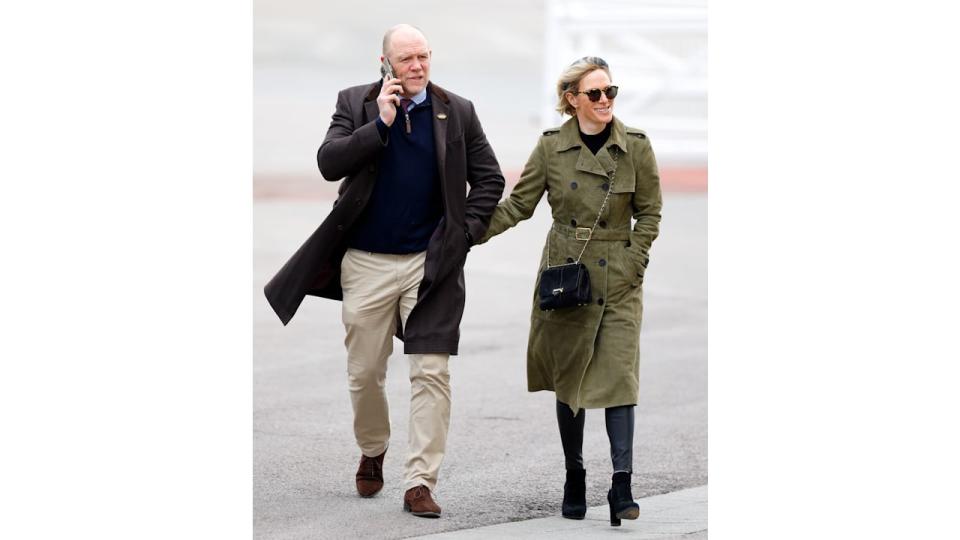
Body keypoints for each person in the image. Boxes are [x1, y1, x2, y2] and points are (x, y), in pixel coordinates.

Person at [263, 24, 504, 518]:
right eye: (407, 59)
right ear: (385, 63)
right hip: (366, 263)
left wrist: (462, 236)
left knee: (432, 372)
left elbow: (490, 179)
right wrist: (382, 125)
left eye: (424, 56)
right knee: (365, 373)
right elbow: (329, 163)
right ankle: (374, 447)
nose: (417, 66)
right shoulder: (356, 103)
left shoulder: (456, 110)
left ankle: (420, 481)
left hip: (429, 266)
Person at [476, 56, 662, 527]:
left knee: (621, 377)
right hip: (567, 273)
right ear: (572, 99)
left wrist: (634, 261)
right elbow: (519, 205)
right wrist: (466, 232)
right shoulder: (551, 148)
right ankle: (574, 474)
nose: (605, 101)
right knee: (570, 375)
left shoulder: (636, 147)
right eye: (595, 94)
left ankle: (623, 484)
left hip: (619, 278)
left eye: (610, 92)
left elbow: (651, 214)